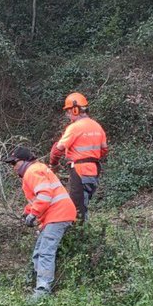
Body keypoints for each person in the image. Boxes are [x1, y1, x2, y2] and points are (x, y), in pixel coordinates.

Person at [3, 145, 76, 300]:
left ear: (23, 161)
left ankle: (43, 291)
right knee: (38, 252)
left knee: (45, 253)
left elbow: (45, 194)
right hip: (56, 215)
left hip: (58, 215)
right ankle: (38, 284)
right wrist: (28, 211)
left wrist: (33, 214)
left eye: (14, 163)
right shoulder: (36, 170)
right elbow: (38, 198)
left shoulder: (32, 171)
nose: (13, 168)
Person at [49, 91, 108, 222]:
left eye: (69, 111)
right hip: (94, 172)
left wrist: (53, 164)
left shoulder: (74, 128)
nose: (68, 114)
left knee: (76, 210)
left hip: (79, 172)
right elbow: (104, 150)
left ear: (75, 110)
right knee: (83, 205)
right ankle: (83, 235)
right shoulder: (98, 127)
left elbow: (58, 149)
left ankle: (81, 238)